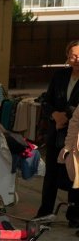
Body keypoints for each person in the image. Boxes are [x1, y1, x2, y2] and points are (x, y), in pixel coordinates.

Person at [38, 39, 79, 223]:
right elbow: (46, 102)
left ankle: (74, 216)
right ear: (67, 57)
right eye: (73, 56)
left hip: (76, 135)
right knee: (51, 175)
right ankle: (45, 213)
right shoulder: (60, 76)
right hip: (57, 133)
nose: (77, 60)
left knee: (75, 174)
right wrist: (55, 114)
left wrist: (67, 116)